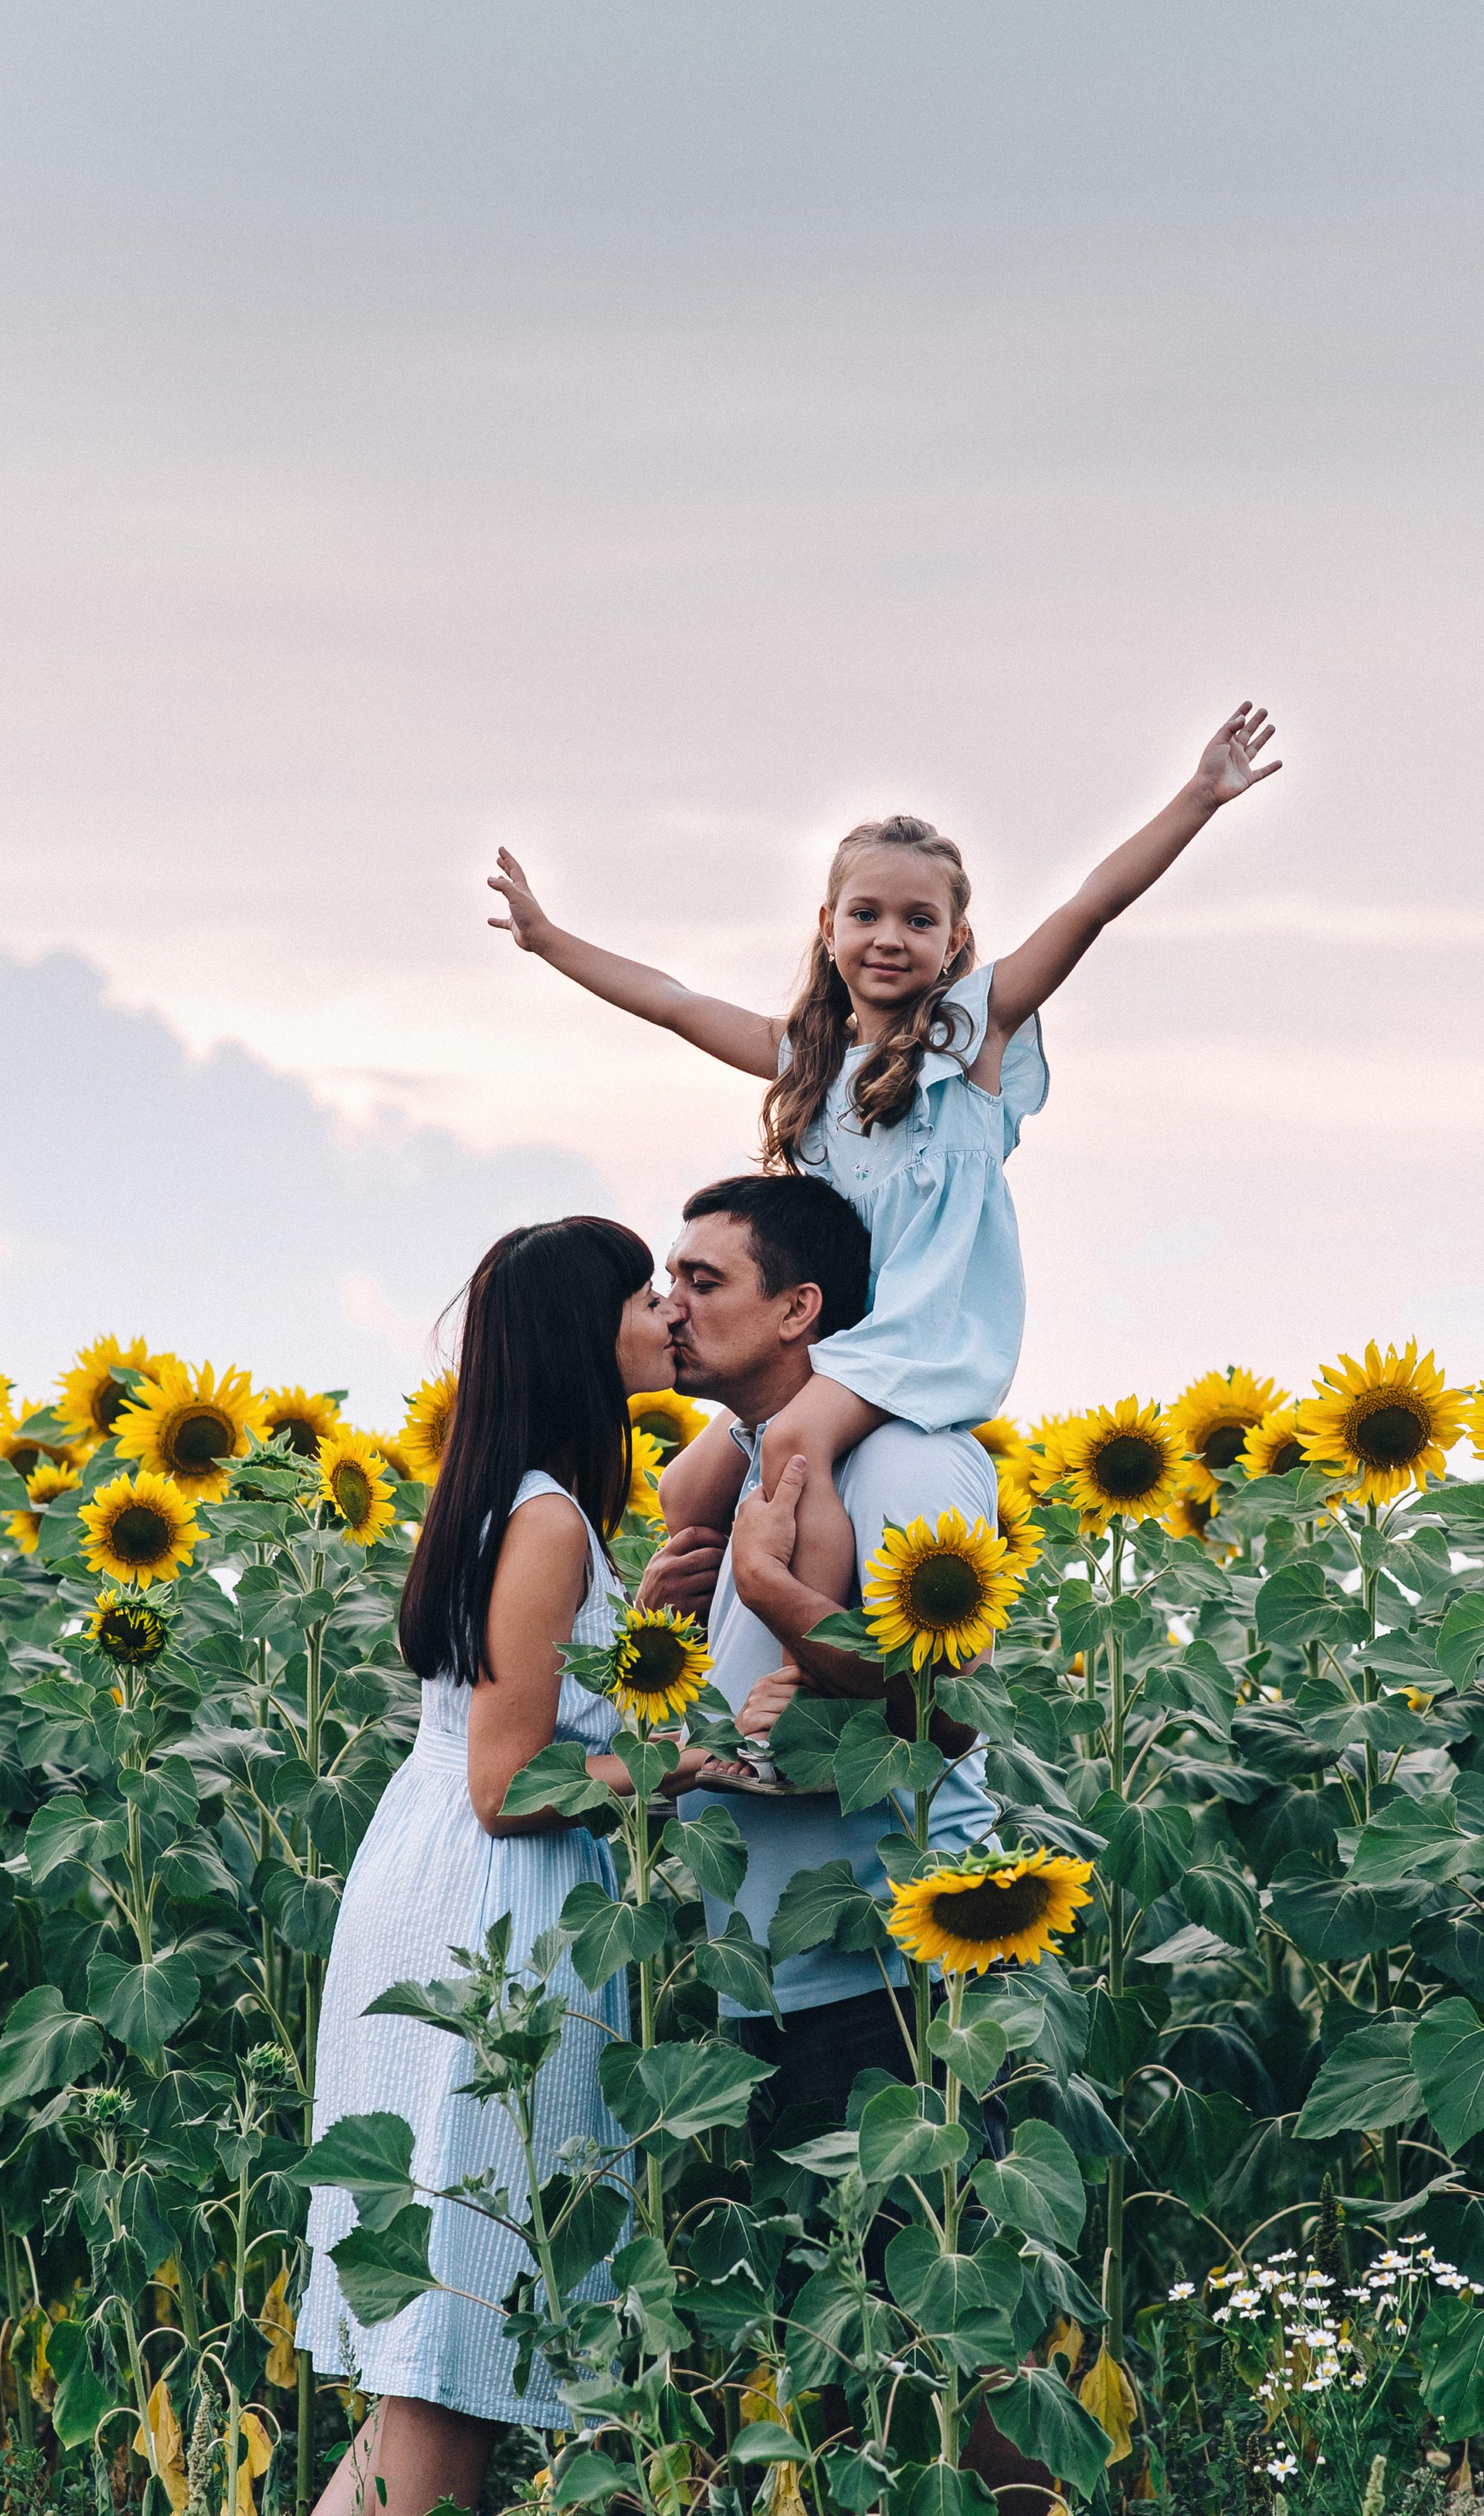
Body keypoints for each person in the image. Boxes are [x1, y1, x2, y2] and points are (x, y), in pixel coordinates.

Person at [488, 705, 1280, 1610]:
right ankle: (696, 1645)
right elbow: (673, 1000)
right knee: (684, 1490)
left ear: (956, 941)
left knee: (793, 1446)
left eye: (919, 919)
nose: (890, 938)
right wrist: (549, 941)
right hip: (834, 1337)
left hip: (921, 1337)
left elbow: (1087, 907)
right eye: (866, 915)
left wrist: (1200, 797)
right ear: (829, 926)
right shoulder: (811, 1062)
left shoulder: (969, 1044)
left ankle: (807, 1649)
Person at [299, 1217, 709, 2516]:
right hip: (490, 1914)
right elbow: (512, 1784)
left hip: (434, 1884)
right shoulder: (544, 1519)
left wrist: (644, 1637)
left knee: (442, 2363)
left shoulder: (524, 1500)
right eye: (647, 1295)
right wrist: (691, 1762)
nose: (669, 1314)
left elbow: (526, 1719)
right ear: (585, 1338)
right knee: (452, 2362)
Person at [637, 1173, 998, 2121]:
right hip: (773, 1974)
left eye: (704, 1283)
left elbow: (950, 1712)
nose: (672, 1308)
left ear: (799, 1309)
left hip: (892, 1972)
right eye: (670, 1281)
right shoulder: (756, 1464)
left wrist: (772, 1593)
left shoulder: (904, 1460)